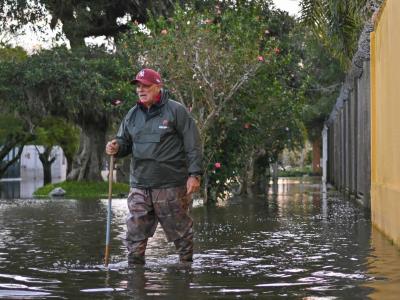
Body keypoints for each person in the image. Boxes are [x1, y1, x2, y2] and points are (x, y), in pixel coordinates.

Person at [105, 68, 203, 265]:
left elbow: (193, 144)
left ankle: (186, 273)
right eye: (138, 86)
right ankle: (135, 276)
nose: (141, 90)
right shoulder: (132, 114)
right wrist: (115, 146)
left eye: (146, 86)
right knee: (135, 234)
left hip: (170, 185)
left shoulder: (176, 110)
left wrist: (194, 174)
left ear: (158, 86)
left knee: (181, 234)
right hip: (140, 184)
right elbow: (124, 142)